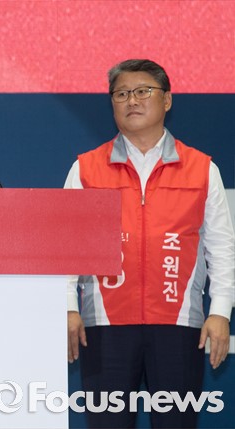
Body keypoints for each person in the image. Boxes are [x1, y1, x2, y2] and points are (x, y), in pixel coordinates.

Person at [65, 59, 235, 428]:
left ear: (167, 100)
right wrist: (67, 308)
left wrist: (220, 312)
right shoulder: (86, 169)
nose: (132, 101)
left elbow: (222, 249)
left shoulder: (202, 169)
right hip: (105, 326)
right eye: (121, 94)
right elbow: (67, 247)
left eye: (143, 91)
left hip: (178, 325)